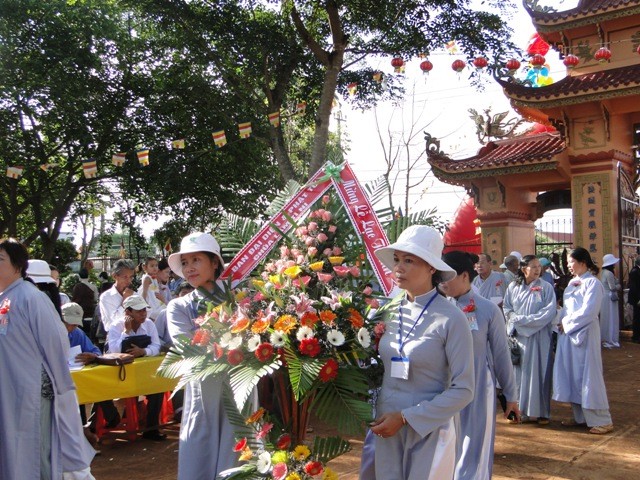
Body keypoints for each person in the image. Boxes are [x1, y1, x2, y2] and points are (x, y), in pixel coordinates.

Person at [365, 226, 474, 479]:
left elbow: (464, 389)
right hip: (385, 426)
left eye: (409, 260)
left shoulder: (452, 318)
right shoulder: (387, 312)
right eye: (397, 260)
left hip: (429, 430)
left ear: (432, 268)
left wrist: (406, 417)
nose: (399, 268)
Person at [0, 238, 96, 479]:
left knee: (35, 451)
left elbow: (57, 343)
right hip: (8, 391)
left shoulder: (31, 297)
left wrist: (51, 383)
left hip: (30, 393)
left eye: (0, 259)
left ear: (18, 266)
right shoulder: (5, 298)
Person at [440, 251, 519, 480]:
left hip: (478, 387)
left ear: (465, 276)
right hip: (444, 389)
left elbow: (501, 354)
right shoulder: (438, 308)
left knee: (475, 447)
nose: (441, 282)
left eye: (447, 276)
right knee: (445, 445)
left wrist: (511, 395)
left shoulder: (487, 310)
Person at [166, 232, 238, 479]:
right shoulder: (178, 306)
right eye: (185, 262)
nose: (189, 268)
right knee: (199, 451)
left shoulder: (239, 299)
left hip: (240, 387)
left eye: (196, 260)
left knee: (238, 448)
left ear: (214, 262)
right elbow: (186, 346)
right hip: (203, 390)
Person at [553, 247, 614, 434]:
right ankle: (580, 416)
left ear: (583, 262)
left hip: (585, 333)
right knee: (573, 374)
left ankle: (602, 419)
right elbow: (567, 309)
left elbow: (589, 311)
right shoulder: (572, 284)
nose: (569, 265)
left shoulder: (593, 284)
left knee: (589, 375)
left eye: (571, 262)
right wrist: (560, 321)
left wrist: (567, 323)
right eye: (568, 262)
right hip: (569, 335)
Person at [502, 255, 556, 425]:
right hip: (519, 338)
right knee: (519, 375)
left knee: (540, 372)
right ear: (524, 268)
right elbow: (507, 307)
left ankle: (542, 413)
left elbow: (549, 312)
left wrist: (525, 321)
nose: (537, 269)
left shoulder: (546, 287)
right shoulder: (513, 286)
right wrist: (516, 320)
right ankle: (521, 412)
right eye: (533, 266)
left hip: (539, 336)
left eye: (539, 266)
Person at [108, 294, 166, 441]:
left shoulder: (149, 324)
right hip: (121, 375)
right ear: (128, 312)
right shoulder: (116, 326)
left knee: (158, 389)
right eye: (139, 311)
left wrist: (143, 351)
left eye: (144, 310)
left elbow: (156, 346)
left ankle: (151, 429)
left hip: (143, 373)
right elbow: (113, 350)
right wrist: (126, 332)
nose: (143, 314)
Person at [98, 259, 135, 333]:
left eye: (131, 277)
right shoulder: (106, 297)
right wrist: (125, 300)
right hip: (115, 335)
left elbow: (144, 314)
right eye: (125, 277)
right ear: (115, 276)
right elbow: (115, 321)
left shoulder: (134, 294)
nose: (129, 281)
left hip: (134, 334)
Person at [599, 253, 620, 349]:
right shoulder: (609, 273)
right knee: (612, 318)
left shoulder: (603, 272)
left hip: (604, 297)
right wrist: (619, 285)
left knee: (606, 318)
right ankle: (611, 338)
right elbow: (613, 287)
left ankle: (605, 337)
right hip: (610, 297)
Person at [137, 257, 166, 321]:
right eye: (152, 266)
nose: (155, 268)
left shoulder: (153, 278)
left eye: (156, 265)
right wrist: (144, 305)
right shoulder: (147, 278)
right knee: (158, 313)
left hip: (155, 300)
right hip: (151, 301)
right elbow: (144, 292)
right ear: (145, 267)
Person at [72, 268, 98, 336]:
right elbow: (96, 299)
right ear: (88, 276)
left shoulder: (77, 287)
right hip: (91, 311)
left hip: (79, 312)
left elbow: (74, 300)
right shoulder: (93, 287)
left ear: (79, 277)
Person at [627, 256, 640, 344]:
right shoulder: (635, 272)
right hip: (637, 299)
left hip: (637, 298)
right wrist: (638, 299)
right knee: (637, 317)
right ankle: (636, 336)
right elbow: (634, 287)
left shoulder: (636, 271)